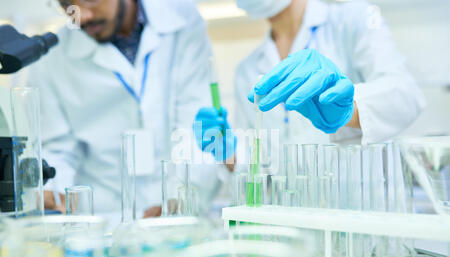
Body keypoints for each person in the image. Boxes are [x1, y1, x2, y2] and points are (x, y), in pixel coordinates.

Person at [29, 0, 221, 217]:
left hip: (178, 209)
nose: (81, 16)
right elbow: (57, 149)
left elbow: (197, 125)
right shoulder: (53, 56)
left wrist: (182, 198)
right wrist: (53, 192)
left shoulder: (182, 20)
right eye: (66, 5)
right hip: (104, 215)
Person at [194, 0, 426, 168]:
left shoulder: (354, 19)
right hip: (286, 222)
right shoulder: (247, 70)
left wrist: (349, 109)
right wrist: (227, 152)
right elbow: (255, 166)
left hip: (355, 217)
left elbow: (407, 95)